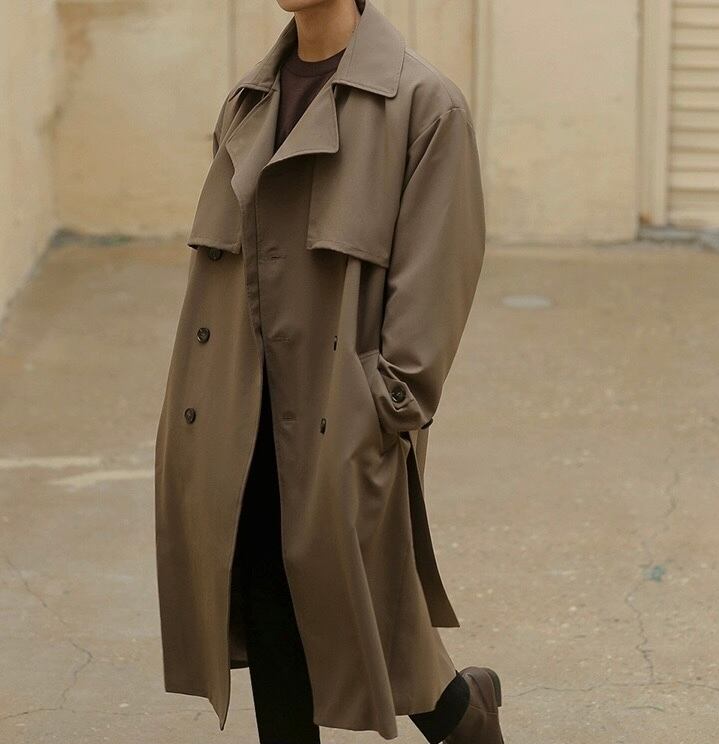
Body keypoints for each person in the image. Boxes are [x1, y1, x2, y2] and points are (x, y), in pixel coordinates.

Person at [154, 0, 504, 742]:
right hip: (239, 411)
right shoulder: (249, 100)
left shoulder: (424, 106)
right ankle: (464, 712)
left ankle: (463, 713)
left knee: (364, 610)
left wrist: (386, 403)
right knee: (272, 604)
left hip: (338, 411)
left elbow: (437, 279)